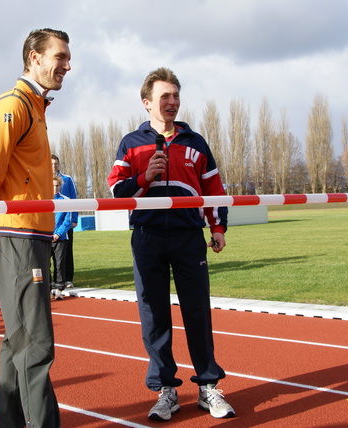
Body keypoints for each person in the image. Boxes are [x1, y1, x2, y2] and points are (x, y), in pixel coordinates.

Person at [107, 67, 235, 421]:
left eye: (176, 95)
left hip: (188, 237)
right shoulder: (131, 143)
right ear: (146, 103)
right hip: (147, 237)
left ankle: (208, 386)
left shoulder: (195, 142)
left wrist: (218, 226)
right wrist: (143, 178)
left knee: (197, 312)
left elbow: (213, 189)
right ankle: (166, 389)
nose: (172, 102)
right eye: (164, 96)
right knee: (154, 315)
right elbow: (116, 191)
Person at [0, 28, 71, 427]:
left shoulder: (36, 106)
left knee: (18, 341)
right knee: (36, 342)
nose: (66, 65)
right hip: (18, 235)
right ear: (33, 57)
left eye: (67, 57)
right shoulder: (13, 105)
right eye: (59, 57)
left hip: (31, 234)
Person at [51, 154, 77, 288]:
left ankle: (67, 278)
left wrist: (75, 219)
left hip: (66, 221)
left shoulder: (67, 179)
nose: (53, 166)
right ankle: (53, 280)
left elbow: (74, 199)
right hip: (51, 225)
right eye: (51, 164)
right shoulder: (44, 180)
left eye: (55, 163)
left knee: (66, 251)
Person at [50, 175, 72, 300]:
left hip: (61, 238)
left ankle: (59, 288)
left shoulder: (66, 200)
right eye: (53, 186)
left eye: (57, 185)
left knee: (59, 263)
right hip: (46, 237)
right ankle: (47, 288)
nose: (55, 188)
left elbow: (67, 221)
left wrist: (58, 233)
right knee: (45, 264)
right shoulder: (44, 200)